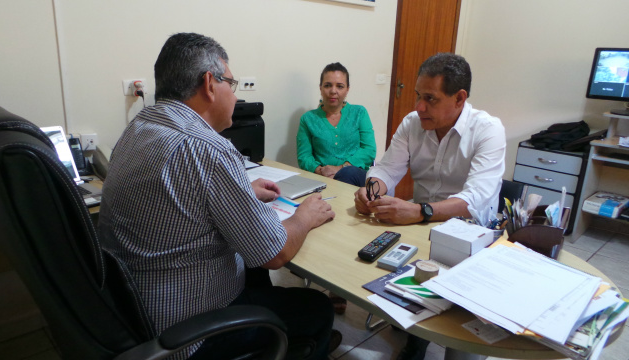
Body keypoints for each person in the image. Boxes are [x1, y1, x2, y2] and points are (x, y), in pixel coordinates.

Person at [98, 33, 340, 359]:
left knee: (254, 271)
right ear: (210, 84)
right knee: (316, 307)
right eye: (232, 83)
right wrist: (304, 216)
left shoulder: (139, 127)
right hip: (186, 330)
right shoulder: (208, 148)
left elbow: (176, 192)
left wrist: (240, 190)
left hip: (134, 308)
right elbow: (276, 252)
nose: (235, 95)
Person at [354, 53, 506, 360]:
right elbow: (386, 169)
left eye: (430, 99)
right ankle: (415, 336)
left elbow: (474, 200)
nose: (419, 107)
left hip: (470, 233)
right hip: (419, 224)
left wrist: (421, 211)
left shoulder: (488, 130)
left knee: (463, 344)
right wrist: (371, 191)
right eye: (417, 97)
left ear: (460, 98)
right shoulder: (413, 124)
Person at [297, 62, 376, 187]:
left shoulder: (359, 113)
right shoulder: (308, 119)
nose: (333, 91)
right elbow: (304, 156)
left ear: (347, 89)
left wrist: (340, 169)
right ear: (320, 88)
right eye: (328, 85)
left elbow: (369, 150)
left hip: (356, 177)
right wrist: (322, 171)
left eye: (340, 86)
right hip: (321, 178)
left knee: (348, 174)